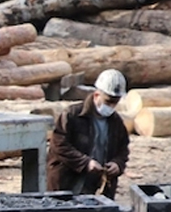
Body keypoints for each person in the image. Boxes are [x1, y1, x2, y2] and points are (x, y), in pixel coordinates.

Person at [47, 69, 130, 200]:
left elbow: (123, 148)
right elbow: (59, 145)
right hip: (67, 183)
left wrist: (117, 164)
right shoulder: (72, 115)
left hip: (96, 186)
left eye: (115, 102)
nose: (111, 106)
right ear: (96, 95)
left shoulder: (116, 122)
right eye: (108, 102)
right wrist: (85, 162)